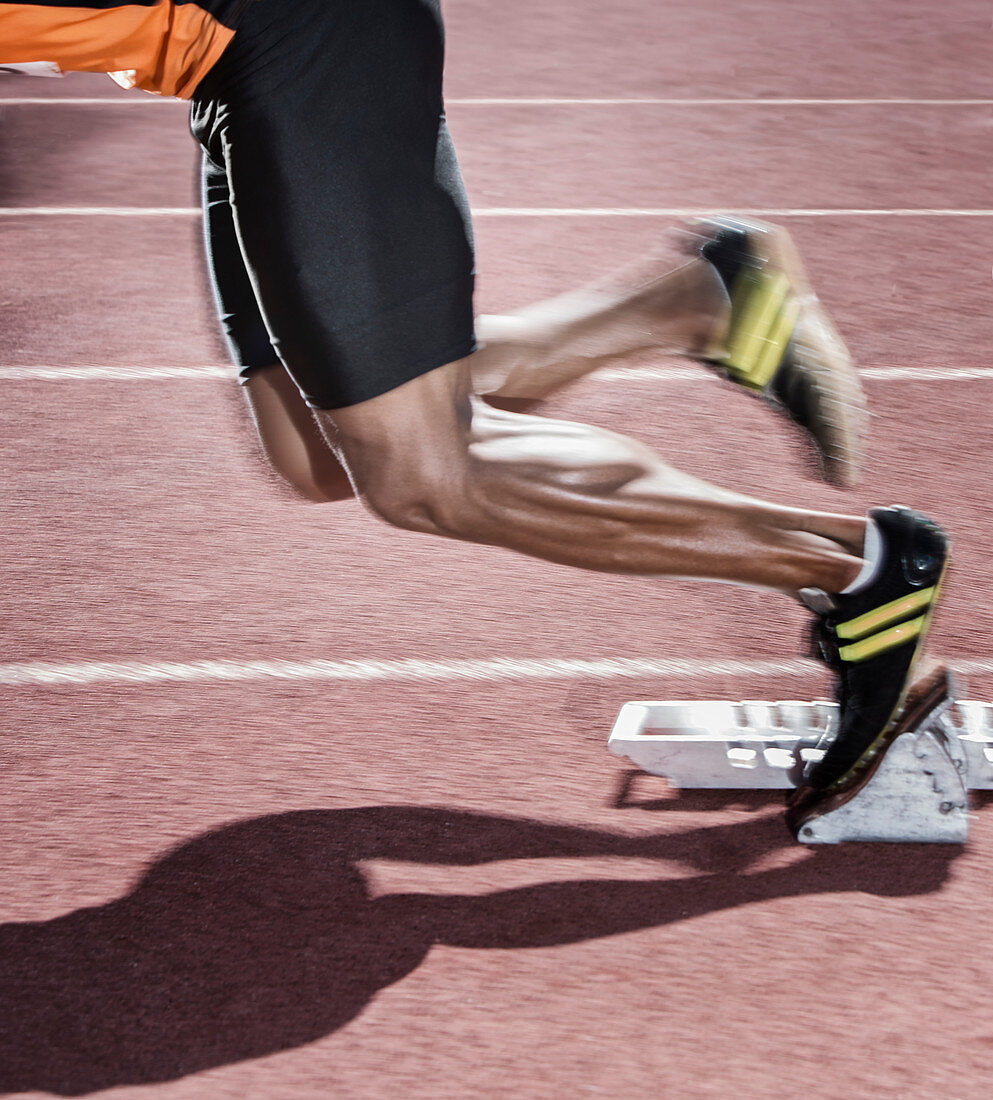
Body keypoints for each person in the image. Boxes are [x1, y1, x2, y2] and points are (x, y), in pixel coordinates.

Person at [0, 0, 951, 832]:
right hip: (222, 70)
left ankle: (862, 573)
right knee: (314, 451)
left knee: (422, 475)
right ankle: (695, 304)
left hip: (294, 33)